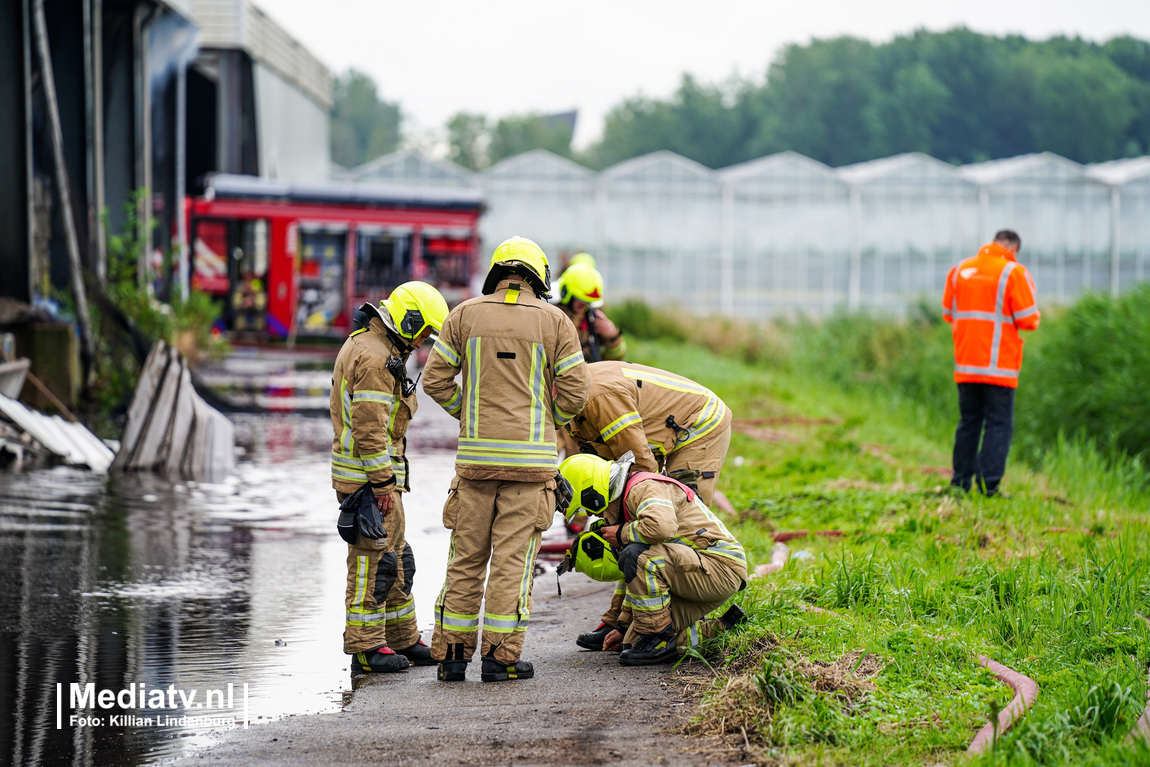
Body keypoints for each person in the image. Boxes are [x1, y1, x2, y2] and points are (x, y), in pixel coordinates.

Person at [423, 236, 590, 682]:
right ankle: (499, 660)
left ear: (497, 273)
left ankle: (452, 658)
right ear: (539, 278)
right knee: (512, 565)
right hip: (531, 469)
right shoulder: (556, 322)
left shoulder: (463, 315)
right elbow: (577, 393)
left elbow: (434, 380)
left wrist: (468, 414)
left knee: (465, 561)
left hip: (475, 465)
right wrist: (544, 421)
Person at [564, 360, 733, 651]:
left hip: (701, 424)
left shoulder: (600, 398)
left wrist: (621, 527)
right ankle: (620, 620)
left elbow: (641, 469)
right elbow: (606, 471)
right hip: (667, 434)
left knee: (664, 528)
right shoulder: (571, 400)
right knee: (629, 526)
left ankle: (663, 623)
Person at [330, 281, 449, 673]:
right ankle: (366, 648)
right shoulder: (376, 358)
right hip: (369, 482)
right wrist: (381, 483)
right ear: (408, 319)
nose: (420, 343)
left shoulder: (376, 346)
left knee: (396, 559)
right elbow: (368, 429)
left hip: (377, 479)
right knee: (371, 561)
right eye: (422, 333)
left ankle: (402, 638)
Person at [557, 453, 747, 665]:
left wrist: (621, 534)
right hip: (699, 570)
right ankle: (723, 629)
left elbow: (661, 527)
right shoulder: (629, 501)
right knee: (632, 642)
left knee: (637, 556)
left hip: (720, 567)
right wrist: (622, 627)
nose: (599, 517)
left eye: (590, 509)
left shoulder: (643, 488)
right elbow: (639, 585)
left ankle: (657, 639)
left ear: (593, 493)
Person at [943, 229, 1040, 497]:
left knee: (969, 421)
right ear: (1014, 249)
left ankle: (960, 482)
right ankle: (989, 486)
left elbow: (948, 313)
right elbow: (1029, 320)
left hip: (966, 363)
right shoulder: (1013, 272)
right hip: (999, 366)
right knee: (998, 424)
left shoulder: (960, 269)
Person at [555, 261, 626, 362]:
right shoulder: (552, 317)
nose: (584, 306)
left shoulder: (592, 319)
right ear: (565, 292)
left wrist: (612, 336)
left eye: (588, 302)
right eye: (580, 301)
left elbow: (614, 361)